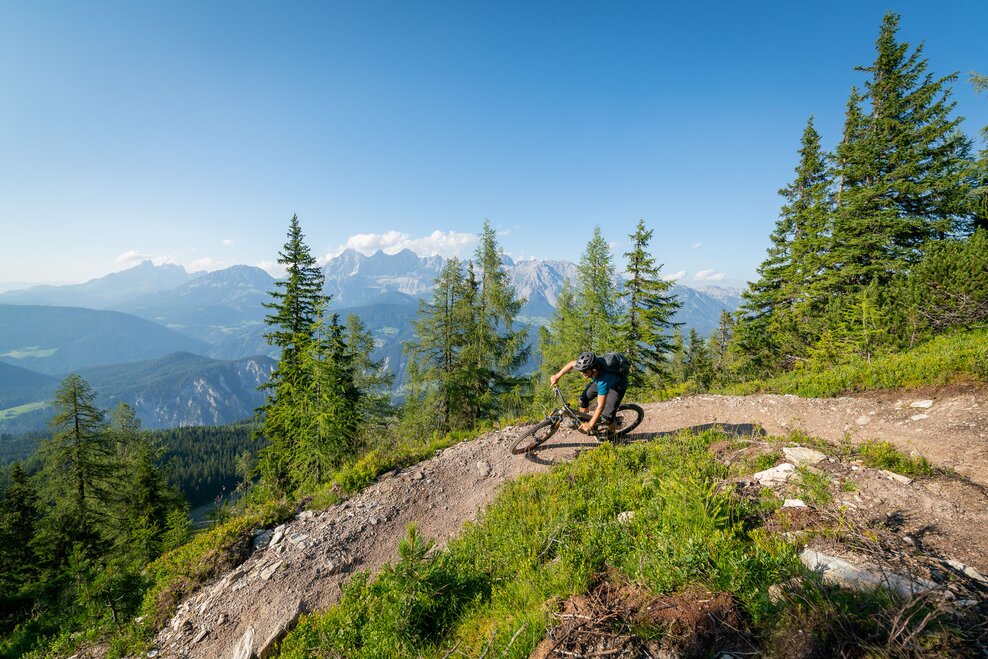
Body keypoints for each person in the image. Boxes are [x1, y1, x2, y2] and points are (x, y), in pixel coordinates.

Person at [549, 351, 628, 437]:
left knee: (607, 417)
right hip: (598, 381)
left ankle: (612, 434)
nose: (582, 374)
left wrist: (590, 424)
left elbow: (600, 406)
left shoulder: (603, 381)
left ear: (593, 369)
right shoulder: (589, 366)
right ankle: (584, 420)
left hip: (617, 387)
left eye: (585, 372)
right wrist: (557, 376)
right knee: (583, 399)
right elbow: (571, 364)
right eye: (581, 371)